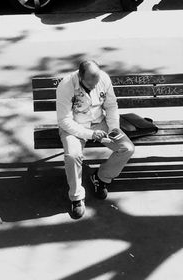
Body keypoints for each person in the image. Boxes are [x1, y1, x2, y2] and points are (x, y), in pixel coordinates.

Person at [56, 60, 135, 219]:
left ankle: (100, 177)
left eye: (96, 83)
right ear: (80, 76)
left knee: (127, 148)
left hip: (100, 123)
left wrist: (113, 128)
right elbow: (64, 121)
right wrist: (90, 134)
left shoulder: (104, 79)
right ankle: (76, 197)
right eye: (89, 85)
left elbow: (111, 106)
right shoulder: (65, 86)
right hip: (75, 127)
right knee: (72, 156)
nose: (93, 88)